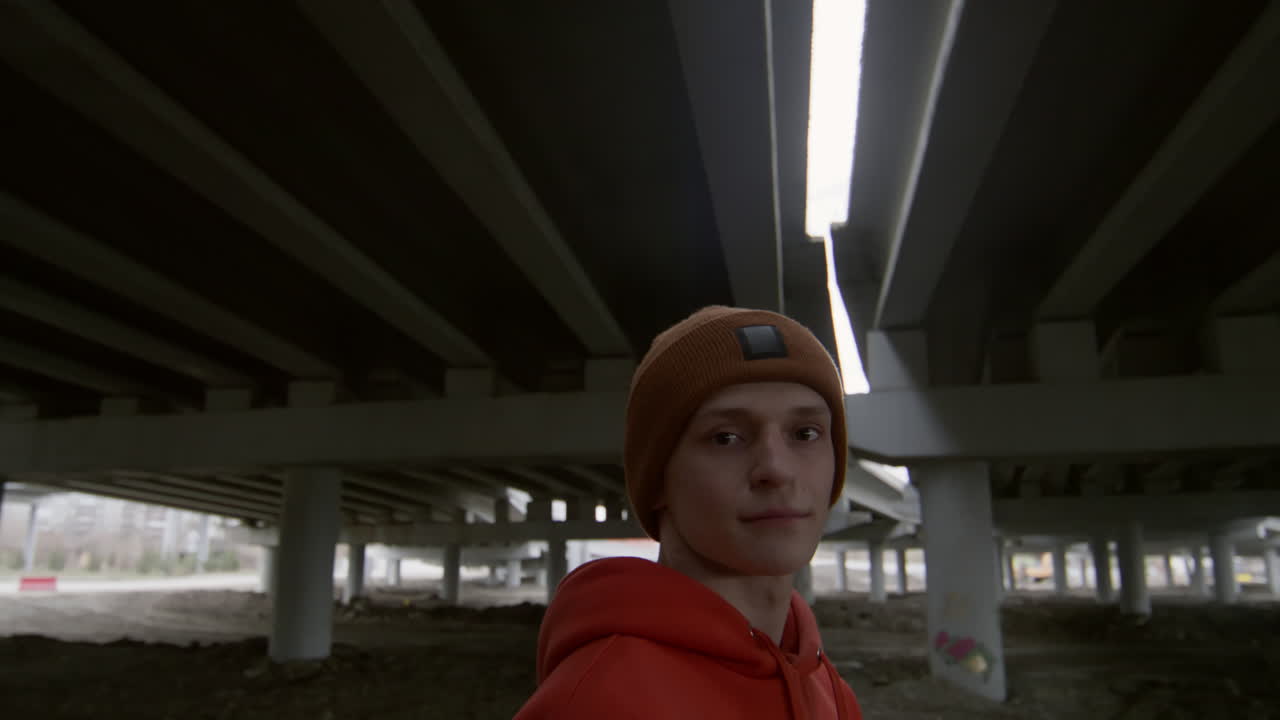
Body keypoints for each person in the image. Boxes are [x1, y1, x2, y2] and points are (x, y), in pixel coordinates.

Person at [514, 306, 862, 719]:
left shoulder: (825, 686)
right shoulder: (599, 702)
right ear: (658, 478)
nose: (777, 469)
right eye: (726, 437)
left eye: (805, 433)